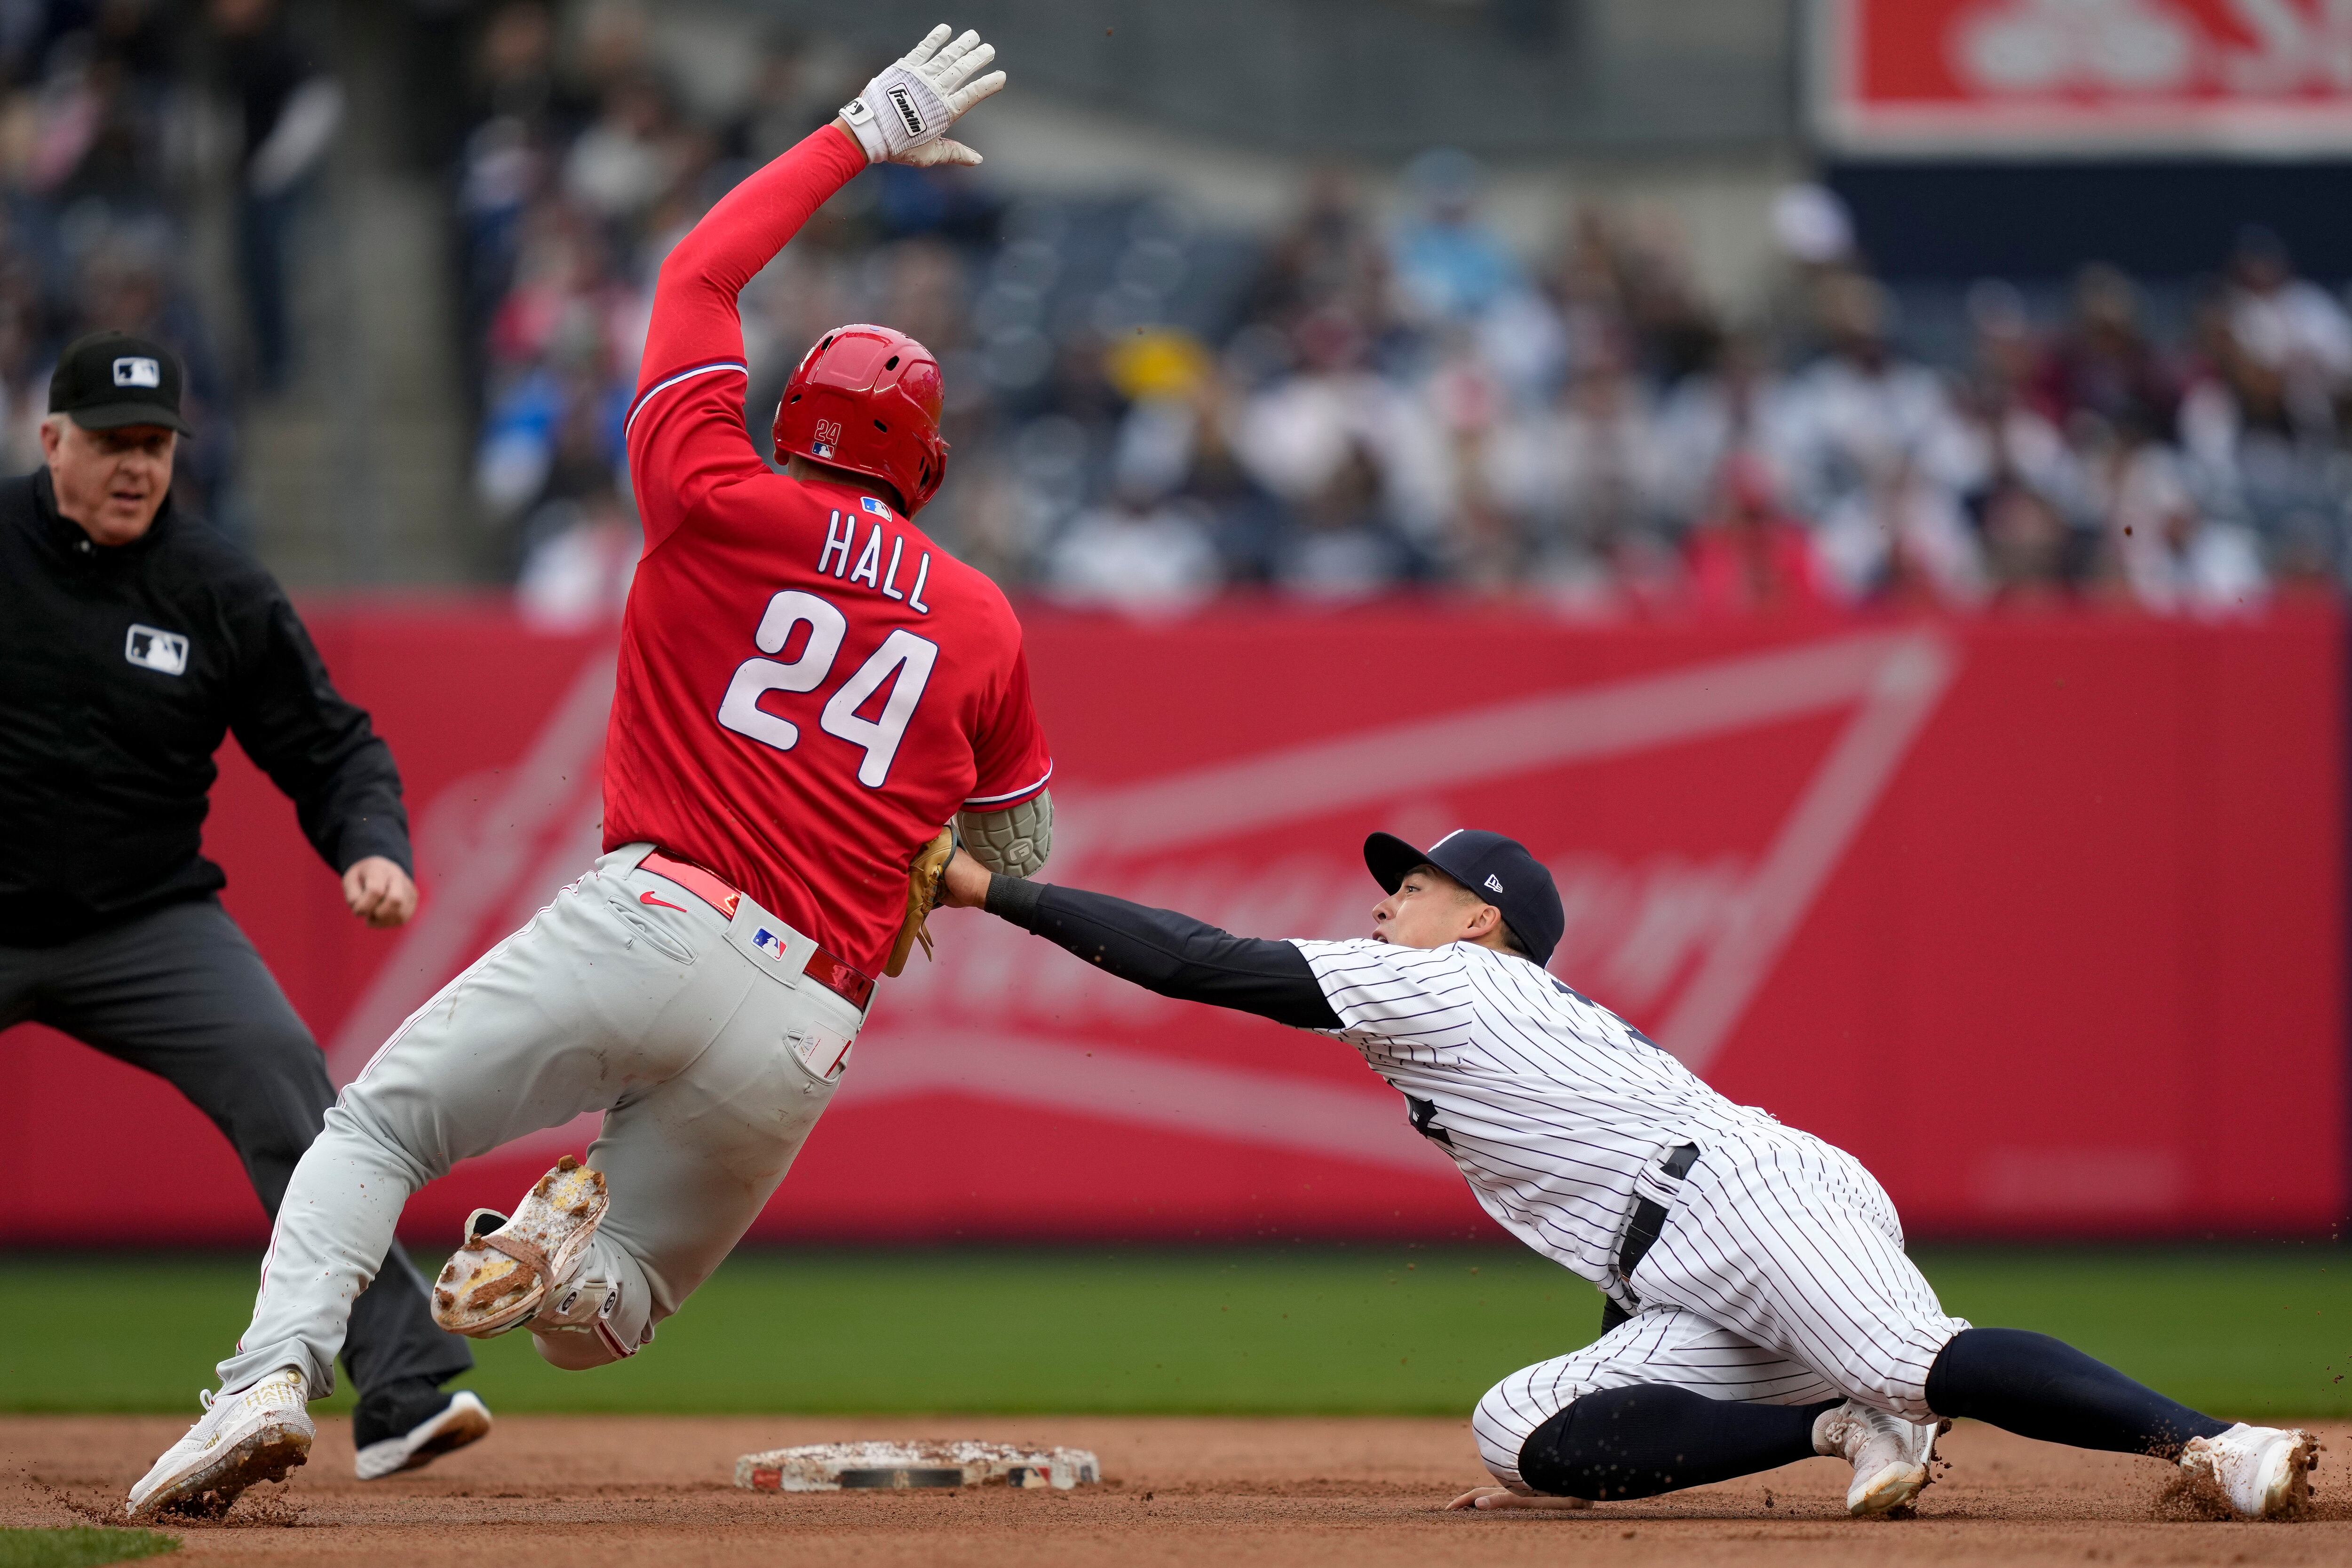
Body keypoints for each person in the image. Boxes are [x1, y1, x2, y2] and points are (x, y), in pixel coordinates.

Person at [130, 24, 1043, 1519]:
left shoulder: (707, 486)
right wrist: (930, 857)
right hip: (809, 1015)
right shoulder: (984, 614)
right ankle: (557, 1247)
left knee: (369, 1130)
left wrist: (860, 133)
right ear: (925, 465)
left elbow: (697, 271)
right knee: (600, 1322)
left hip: (658, 915)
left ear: (791, 418)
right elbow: (1028, 846)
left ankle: (264, 1383)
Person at [935, 828, 2319, 1521]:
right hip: (1687, 1245)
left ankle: (2211, 1444)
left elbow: (1199, 960)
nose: (1383, 901)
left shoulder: (1451, 985)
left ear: (1479, 923)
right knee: (1523, 1430)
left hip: (1745, 1188)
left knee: (1910, 1346)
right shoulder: (1480, 1003)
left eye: (1411, 885)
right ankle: (1840, 1427)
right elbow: (1619, 1232)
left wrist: (988, 888)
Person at [0, 331, 486, 1485]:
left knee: (288, 1081)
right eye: (113, 442)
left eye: (156, 443)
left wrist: (370, 846)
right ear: (50, 439)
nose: (137, 466)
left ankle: (405, 1383)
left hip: (143, 918)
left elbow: (333, 748)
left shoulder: (214, 587)